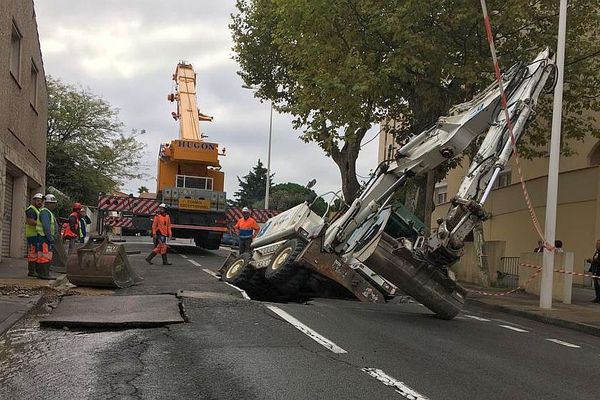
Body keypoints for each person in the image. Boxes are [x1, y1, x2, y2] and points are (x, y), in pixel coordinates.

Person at [37, 194, 59, 280]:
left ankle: (42, 273)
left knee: (43, 256)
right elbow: (46, 227)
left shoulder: (47, 212)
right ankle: (45, 274)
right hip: (44, 238)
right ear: (47, 203)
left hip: (44, 238)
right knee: (46, 257)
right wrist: (51, 238)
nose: (54, 205)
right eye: (52, 203)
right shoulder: (45, 212)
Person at [25, 193, 45, 277]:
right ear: (33, 200)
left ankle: (35, 271)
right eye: (38, 201)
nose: (40, 203)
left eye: (41, 201)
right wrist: (42, 224)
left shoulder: (38, 210)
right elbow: (30, 221)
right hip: (32, 235)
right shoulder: (31, 210)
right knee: (33, 253)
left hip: (36, 235)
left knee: (36, 253)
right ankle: (32, 271)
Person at [586, 239, 600, 303]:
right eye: (596, 244)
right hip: (595, 271)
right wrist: (591, 260)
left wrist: (593, 261)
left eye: (598, 244)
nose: (596, 245)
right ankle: (597, 298)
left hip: (599, 271)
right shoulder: (597, 252)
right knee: (596, 285)